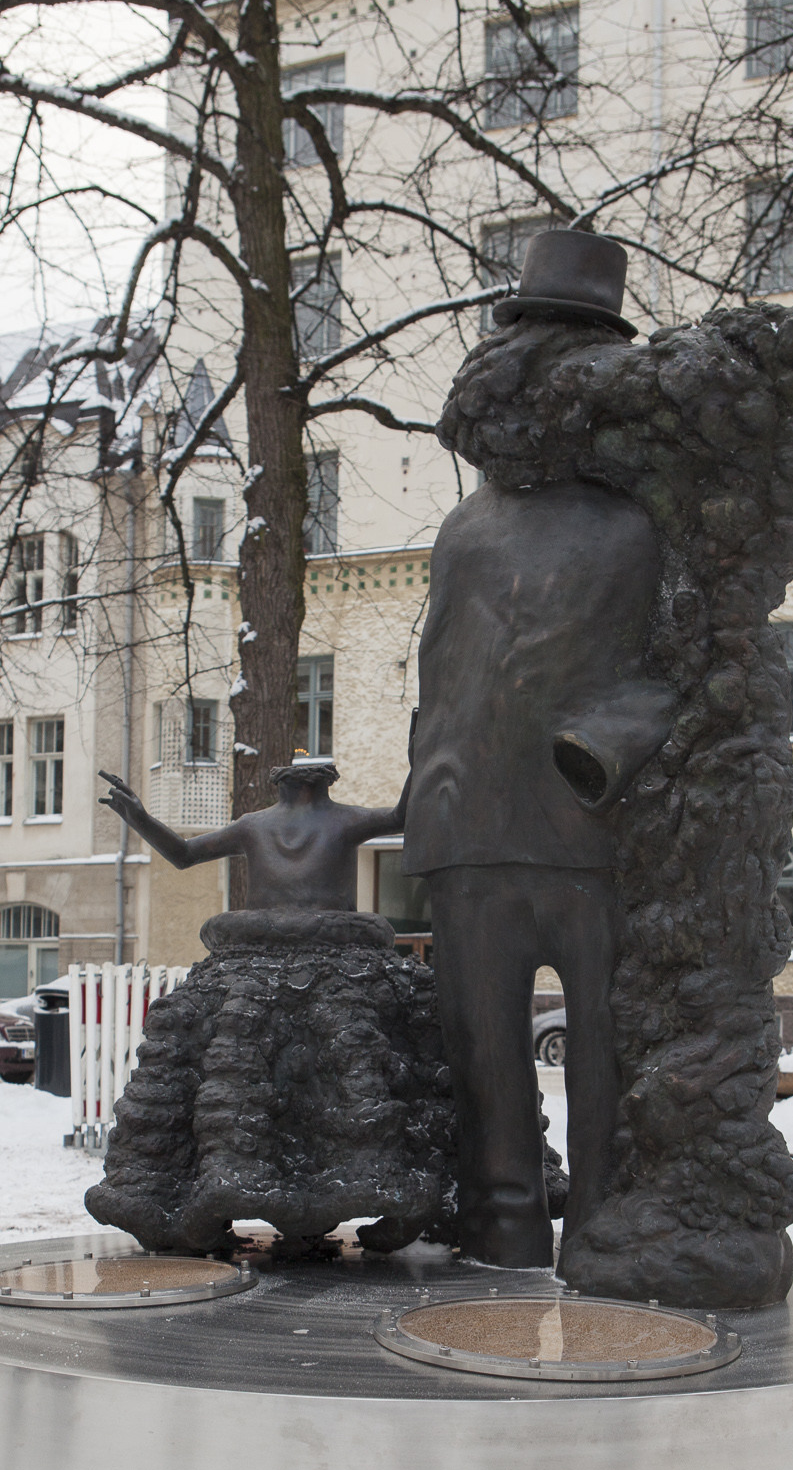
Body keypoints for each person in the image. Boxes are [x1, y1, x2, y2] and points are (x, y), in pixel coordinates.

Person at [403, 231, 674, 1270]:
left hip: (589, 828)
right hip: (466, 826)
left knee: (605, 1045)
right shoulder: (463, 527)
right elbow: (441, 666)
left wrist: (607, 745)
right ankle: (501, 1219)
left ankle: (601, 1221)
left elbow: (697, 663)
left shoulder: (643, 526)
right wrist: (425, 794)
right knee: (481, 1048)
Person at [98, 755, 409, 910]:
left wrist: (141, 820)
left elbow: (184, 854)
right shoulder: (255, 826)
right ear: (328, 781)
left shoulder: (344, 820)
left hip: (311, 936)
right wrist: (140, 819)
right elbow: (402, 817)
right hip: (275, 936)